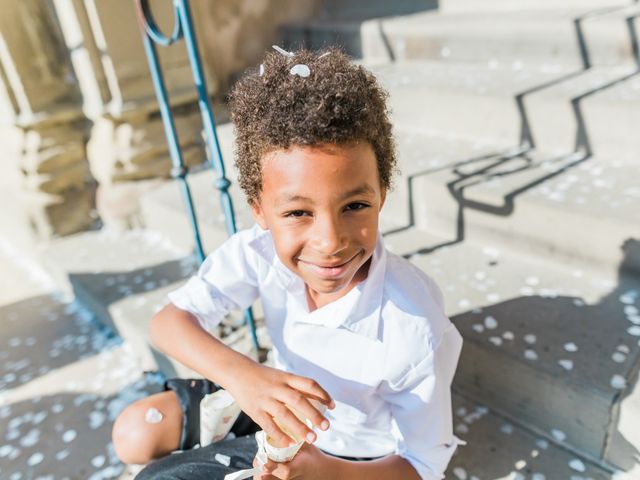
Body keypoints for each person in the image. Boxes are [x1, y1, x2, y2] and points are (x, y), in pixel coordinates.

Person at [112, 46, 463, 479]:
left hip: (351, 461)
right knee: (135, 433)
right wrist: (246, 378)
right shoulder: (257, 253)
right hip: (272, 404)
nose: (330, 242)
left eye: (354, 205)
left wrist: (328, 471)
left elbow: (423, 464)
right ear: (260, 210)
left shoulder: (413, 323)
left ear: (381, 197)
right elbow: (168, 322)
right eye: (299, 212)